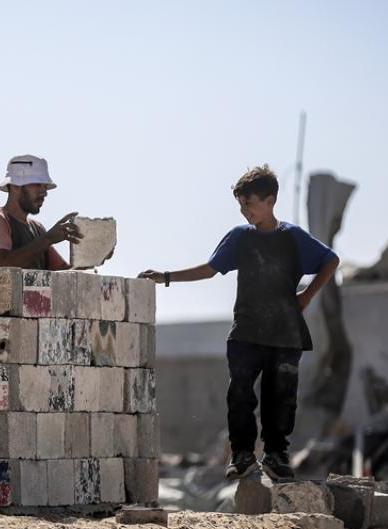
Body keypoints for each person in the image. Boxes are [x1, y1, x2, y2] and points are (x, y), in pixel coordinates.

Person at [140, 164, 339, 482]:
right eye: (241, 205)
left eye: (250, 203)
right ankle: (243, 455)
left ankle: (276, 456)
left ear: (270, 200)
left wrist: (308, 295)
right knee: (241, 394)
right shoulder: (239, 238)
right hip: (247, 332)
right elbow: (208, 268)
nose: (244, 211)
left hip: (286, 334)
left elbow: (331, 260)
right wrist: (165, 277)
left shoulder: (293, 238)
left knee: (281, 398)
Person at [0, 154, 82, 269]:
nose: (44, 193)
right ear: (15, 186)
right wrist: (48, 238)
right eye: (37, 185)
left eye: (45, 187)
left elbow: (64, 272)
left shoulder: (37, 228)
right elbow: (3, 268)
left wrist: (92, 257)